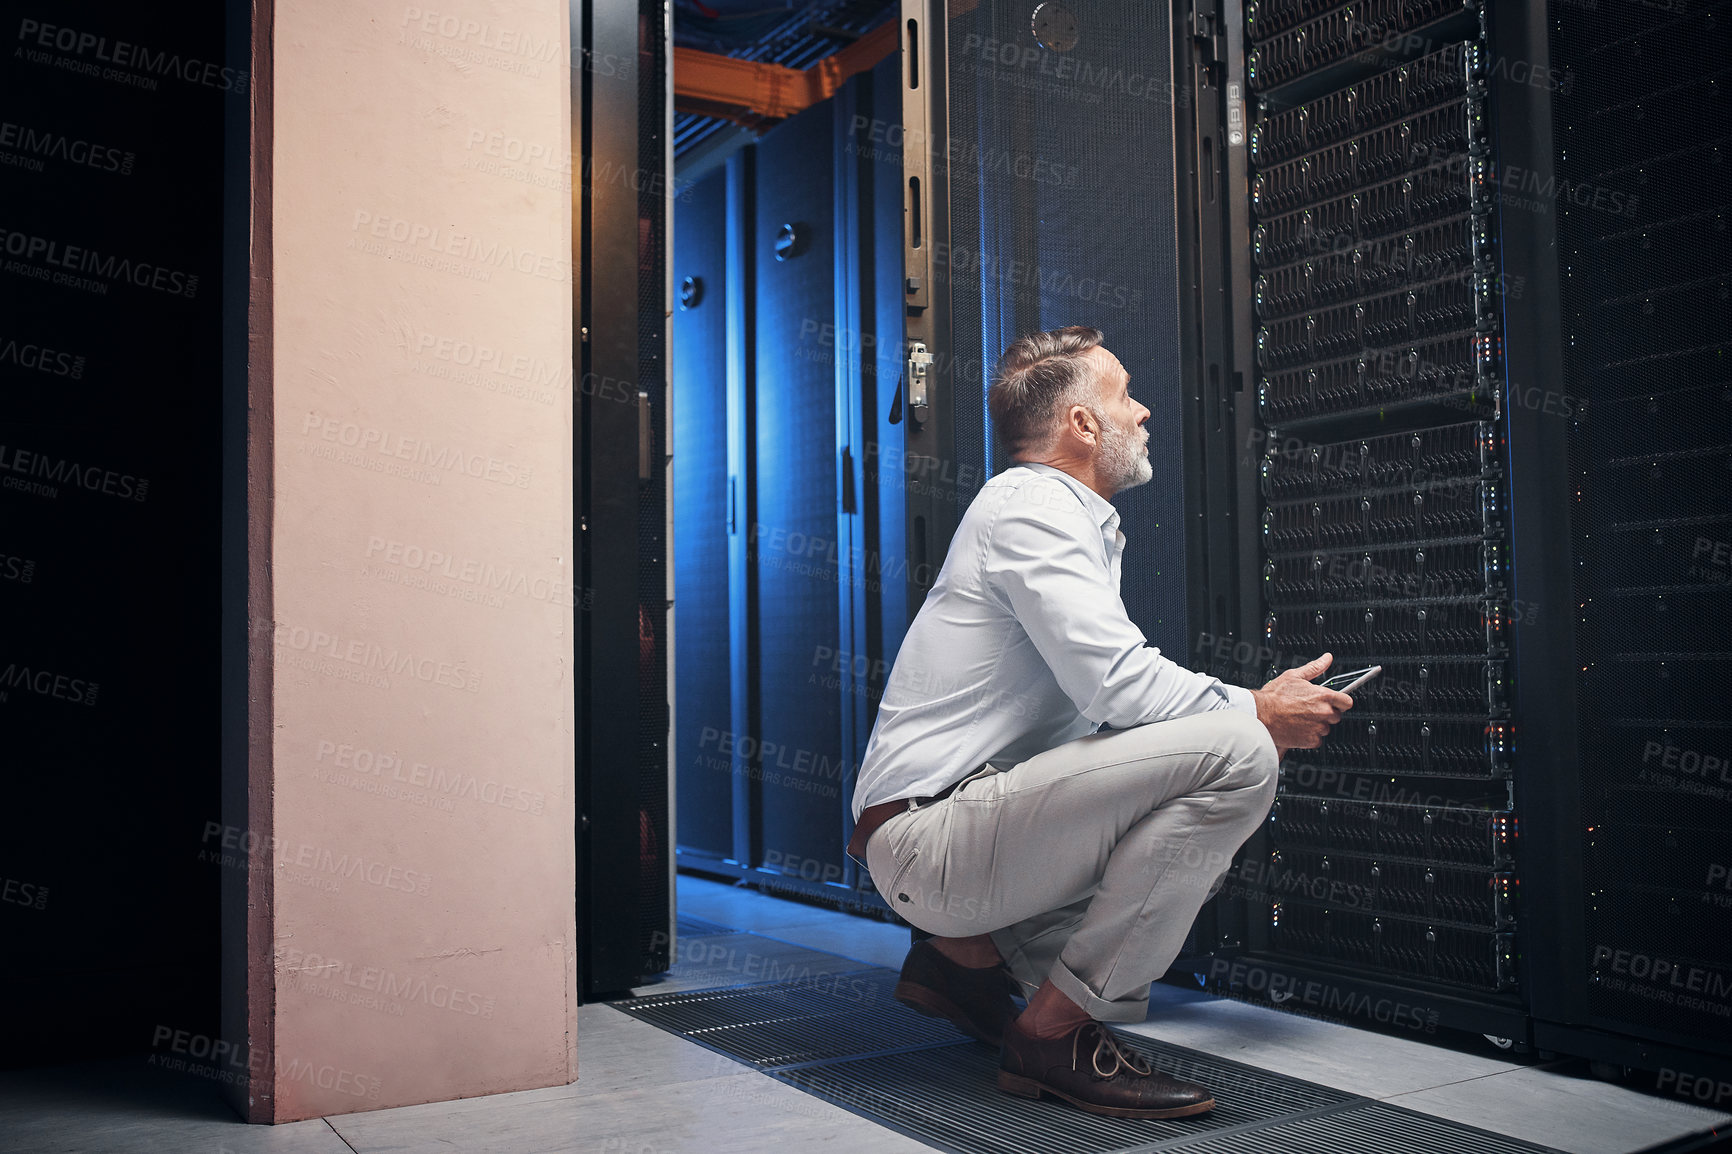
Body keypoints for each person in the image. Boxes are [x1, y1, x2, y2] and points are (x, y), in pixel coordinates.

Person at [845, 325, 1353, 1119]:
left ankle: (964, 961)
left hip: (957, 832)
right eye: (1125, 396)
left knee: (1181, 789)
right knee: (1242, 754)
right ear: (1083, 424)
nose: (1144, 412)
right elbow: (1120, 686)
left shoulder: (1060, 513)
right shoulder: (1035, 509)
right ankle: (1052, 1034)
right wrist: (1256, 708)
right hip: (932, 841)